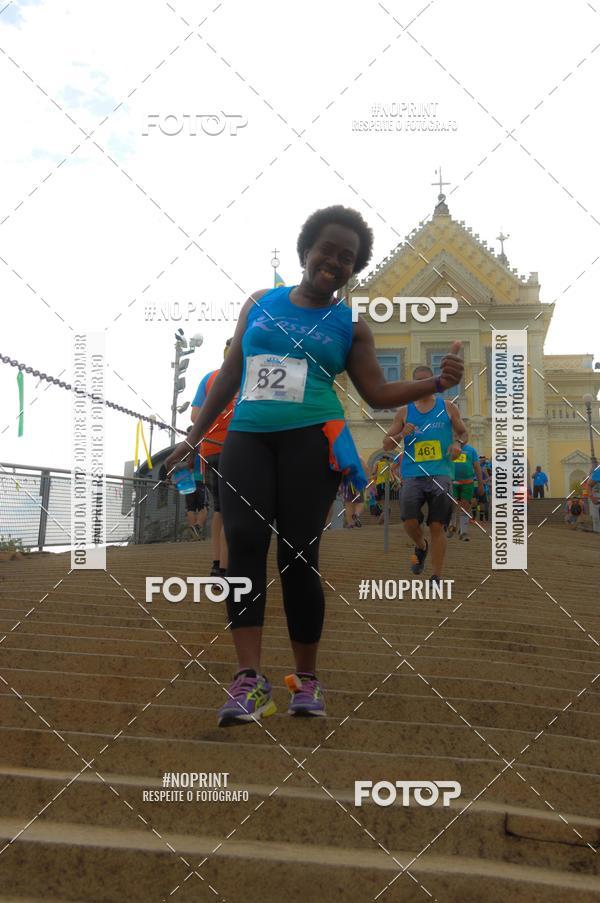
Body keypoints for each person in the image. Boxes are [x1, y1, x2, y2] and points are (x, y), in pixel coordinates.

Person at [166, 205, 463, 726]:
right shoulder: (259, 303)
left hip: (311, 441)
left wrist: (435, 385)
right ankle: (250, 681)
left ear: (353, 270)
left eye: (347, 258)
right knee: (244, 552)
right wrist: (193, 437)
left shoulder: (351, 324)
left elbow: (376, 393)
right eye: (327, 249)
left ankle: (307, 681)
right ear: (307, 251)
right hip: (248, 440)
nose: (335, 261)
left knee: (298, 557)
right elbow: (232, 372)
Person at [383, 365, 468, 585]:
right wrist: (402, 433)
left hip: (441, 473)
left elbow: (463, 432)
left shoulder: (448, 407)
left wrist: (458, 443)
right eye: (418, 381)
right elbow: (386, 445)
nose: (423, 384)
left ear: (434, 382)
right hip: (412, 474)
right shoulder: (404, 412)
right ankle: (421, 546)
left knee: (437, 525)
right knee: (409, 522)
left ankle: (436, 575)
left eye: (427, 380)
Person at [190, 339, 235, 576]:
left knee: (219, 508)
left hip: (211, 450)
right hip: (239, 448)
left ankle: (217, 564)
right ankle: (228, 567)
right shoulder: (248, 378)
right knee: (235, 508)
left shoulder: (209, 379)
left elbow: (195, 415)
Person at [451, 442, 484, 541]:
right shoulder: (449, 447)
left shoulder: (471, 450)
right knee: (451, 504)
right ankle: (451, 526)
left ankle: (464, 532)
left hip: (467, 482)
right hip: (452, 481)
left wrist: (480, 484)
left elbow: (477, 467)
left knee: (465, 505)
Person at [184, 427, 207, 539]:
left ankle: (194, 534)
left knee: (190, 508)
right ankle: (198, 527)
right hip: (200, 480)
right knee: (203, 507)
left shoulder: (185, 447)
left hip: (187, 481)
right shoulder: (203, 445)